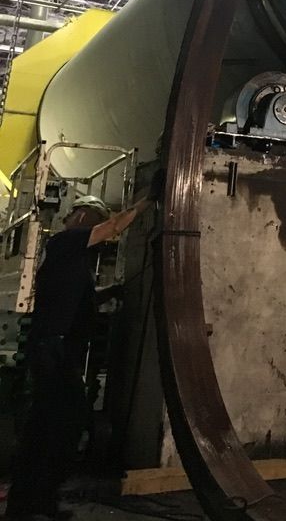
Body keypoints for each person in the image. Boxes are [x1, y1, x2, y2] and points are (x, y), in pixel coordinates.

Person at [6, 190, 156, 521]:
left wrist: (109, 293)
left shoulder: (72, 258)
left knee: (48, 428)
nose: (97, 226)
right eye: (94, 219)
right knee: (61, 424)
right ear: (82, 217)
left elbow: (73, 297)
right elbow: (115, 226)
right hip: (53, 351)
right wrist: (147, 201)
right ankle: (31, 501)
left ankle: (32, 501)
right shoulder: (66, 242)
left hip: (57, 351)